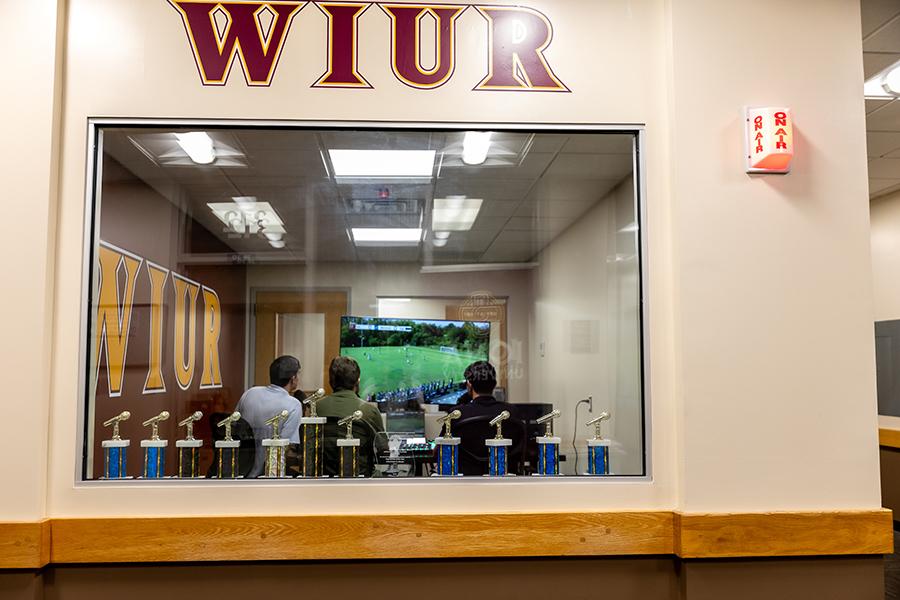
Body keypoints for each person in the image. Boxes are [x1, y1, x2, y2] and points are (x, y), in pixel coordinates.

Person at [450, 361, 523, 476]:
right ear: (494, 384)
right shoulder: (512, 412)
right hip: (505, 479)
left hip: (467, 480)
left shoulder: (458, 414)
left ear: (469, 384)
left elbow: (440, 450)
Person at [318, 356, 387, 476]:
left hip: (323, 480)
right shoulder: (369, 411)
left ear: (330, 381)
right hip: (362, 480)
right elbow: (383, 452)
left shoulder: (316, 408)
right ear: (358, 381)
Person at [235, 355, 303, 478]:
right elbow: (285, 450)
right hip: (269, 476)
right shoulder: (293, 404)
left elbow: (234, 425)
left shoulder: (250, 393)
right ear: (293, 379)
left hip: (239, 473)